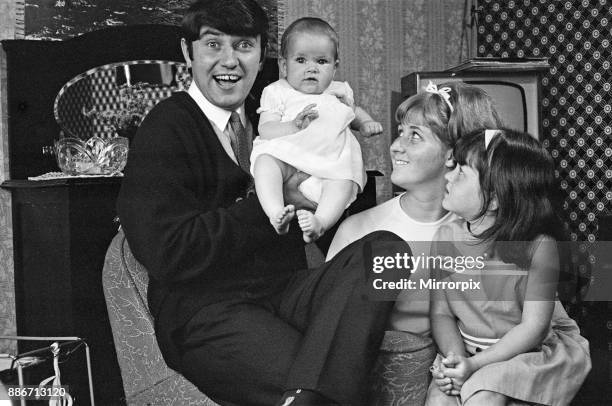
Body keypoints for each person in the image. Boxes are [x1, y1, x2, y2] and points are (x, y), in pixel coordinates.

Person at [116, 1, 408, 405]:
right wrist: (267, 204)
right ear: (188, 53)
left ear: (264, 53)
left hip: (283, 292)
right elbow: (167, 252)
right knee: (324, 383)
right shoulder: (166, 128)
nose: (229, 61)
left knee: (386, 251)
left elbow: (327, 214)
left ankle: (308, 394)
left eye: (244, 46)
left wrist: (336, 186)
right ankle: (311, 393)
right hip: (208, 311)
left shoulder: (276, 115)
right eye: (213, 45)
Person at [426, 129, 591, 405]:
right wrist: (458, 360)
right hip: (466, 351)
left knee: (483, 398)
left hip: (525, 351)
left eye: (461, 173)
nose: (447, 177)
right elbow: (441, 313)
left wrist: (477, 366)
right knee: (438, 401)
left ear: (493, 200)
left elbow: (533, 329)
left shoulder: (540, 246)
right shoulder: (444, 238)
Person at [252, 17, 382, 243]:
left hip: (331, 161)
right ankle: (275, 212)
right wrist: (293, 126)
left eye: (321, 61)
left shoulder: (338, 91)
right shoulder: (277, 91)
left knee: (344, 179)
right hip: (289, 157)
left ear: (335, 67)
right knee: (265, 163)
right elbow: (265, 130)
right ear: (284, 65)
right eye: (301, 60)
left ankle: (320, 222)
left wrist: (365, 123)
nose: (311, 68)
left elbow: (353, 113)